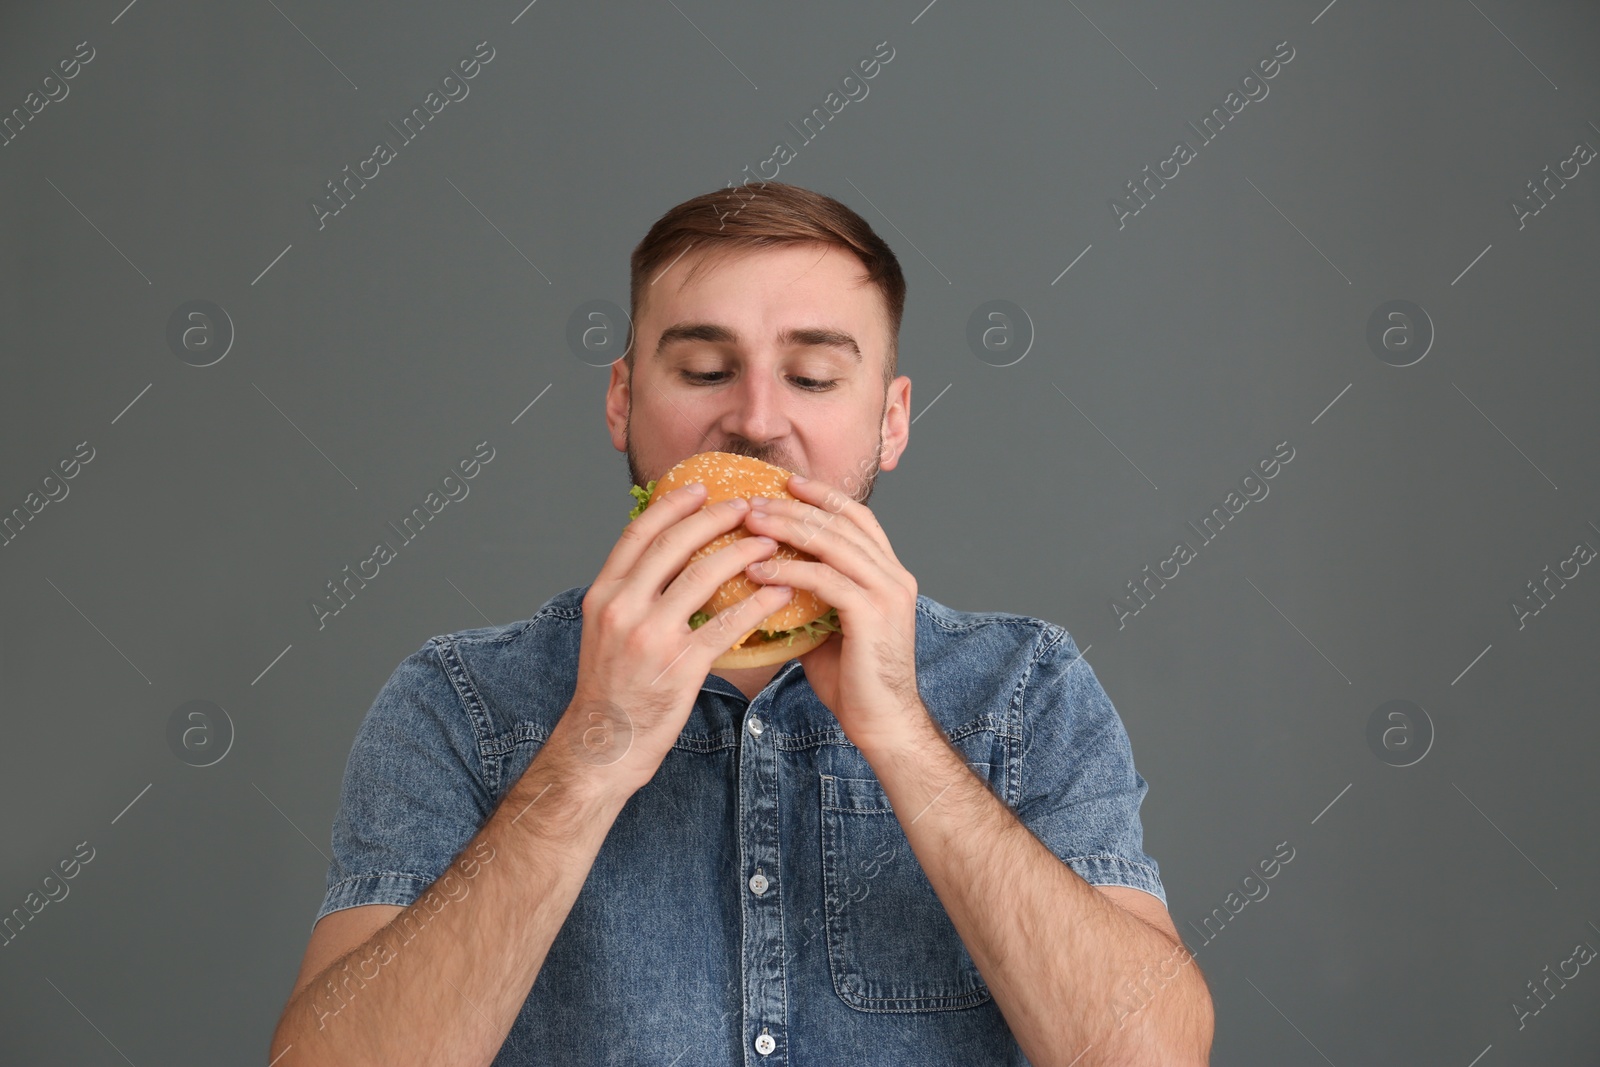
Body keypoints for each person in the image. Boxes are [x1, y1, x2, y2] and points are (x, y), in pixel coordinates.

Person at [270, 181, 1214, 1065]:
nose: (756, 421)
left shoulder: (1025, 689)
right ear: (622, 400)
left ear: (890, 421)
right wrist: (590, 755)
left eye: (811, 376)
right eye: (706, 368)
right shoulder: (462, 702)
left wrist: (903, 739)